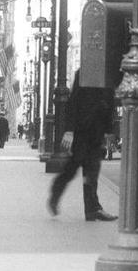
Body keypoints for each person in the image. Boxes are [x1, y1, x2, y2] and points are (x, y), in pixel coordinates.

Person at [47, 72, 115, 222]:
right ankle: (56, 193)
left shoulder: (106, 73)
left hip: (97, 130)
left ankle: (93, 209)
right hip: (81, 130)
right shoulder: (84, 72)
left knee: (92, 171)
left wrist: (109, 131)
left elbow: (110, 103)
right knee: (73, 167)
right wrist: (69, 130)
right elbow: (72, 103)